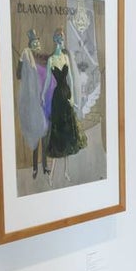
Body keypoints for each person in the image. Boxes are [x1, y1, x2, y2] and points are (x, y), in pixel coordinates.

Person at [43, 28, 87, 183]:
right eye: (61, 39)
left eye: (63, 39)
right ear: (56, 40)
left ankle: (66, 172)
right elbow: (48, 80)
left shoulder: (66, 57)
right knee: (58, 136)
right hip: (57, 99)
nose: (62, 42)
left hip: (66, 96)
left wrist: (73, 98)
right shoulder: (51, 60)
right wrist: (42, 95)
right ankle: (51, 175)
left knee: (67, 135)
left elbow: (71, 80)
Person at [16, 29, 50, 179]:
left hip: (45, 100)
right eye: (34, 43)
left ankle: (45, 165)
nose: (37, 45)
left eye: (38, 42)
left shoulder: (44, 59)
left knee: (45, 135)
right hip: (34, 102)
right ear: (30, 45)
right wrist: (21, 61)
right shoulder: (27, 58)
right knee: (36, 133)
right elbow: (19, 75)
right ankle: (35, 167)